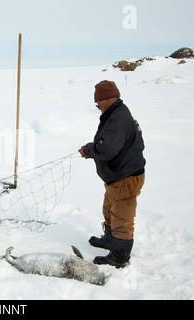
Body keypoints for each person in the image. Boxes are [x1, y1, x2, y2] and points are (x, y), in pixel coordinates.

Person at [79, 80, 145, 268]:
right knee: (110, 209)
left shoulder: (117, 118)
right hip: (117, 176)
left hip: (126, 178)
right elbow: (110, 147)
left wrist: (90, 149)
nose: (97, 106)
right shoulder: (117, 113)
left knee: (122, 217)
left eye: (98, 102)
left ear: (108, 98)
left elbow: (107, 149)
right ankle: (110, 239)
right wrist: (92, 151)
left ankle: (120, 255)